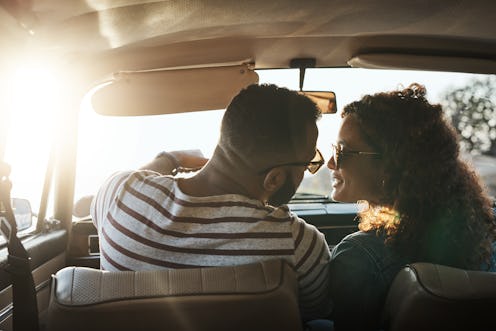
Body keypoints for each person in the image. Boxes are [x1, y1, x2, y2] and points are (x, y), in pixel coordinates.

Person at [90, 83, 332, 320]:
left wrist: (171, 159)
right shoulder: (297, 243)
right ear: (274, 179)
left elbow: (137, 181)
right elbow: (311, 314)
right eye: (308, 163)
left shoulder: (120, 194)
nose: (306, 172)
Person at [326, 83, 496, 330]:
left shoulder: (358, 258)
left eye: (342, 151)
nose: (331, 163)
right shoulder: (488, 231)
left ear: (390, 166)